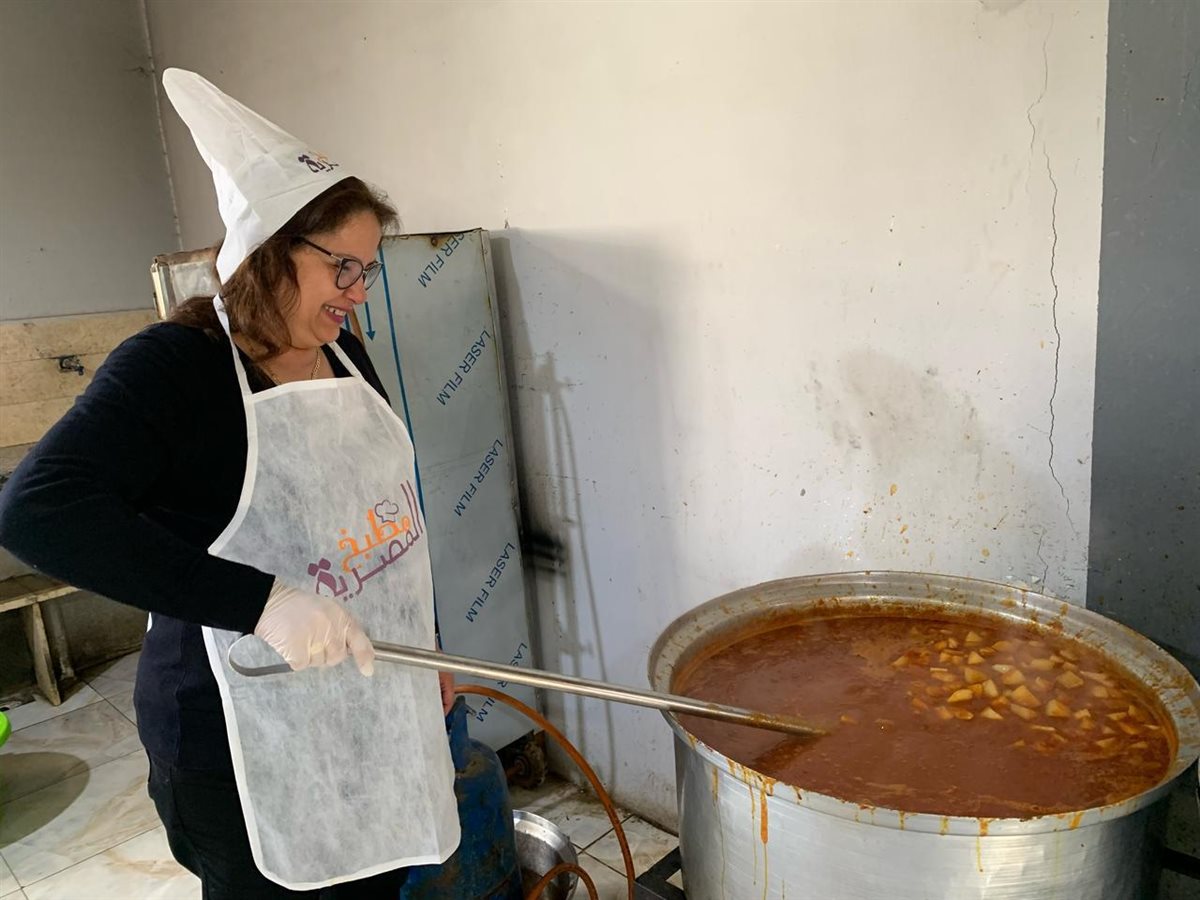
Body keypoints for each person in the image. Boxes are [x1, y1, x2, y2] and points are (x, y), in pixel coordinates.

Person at [0, 70, 461, 899]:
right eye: (343, 267)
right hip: (236, 726)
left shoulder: (343, 356)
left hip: (360, 705)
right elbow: (37, 511)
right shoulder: (176, 367)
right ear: (270, 251)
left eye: (369, 269)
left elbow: (386, 520)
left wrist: (426, 649)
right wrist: (264, 602)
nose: (360, 292)